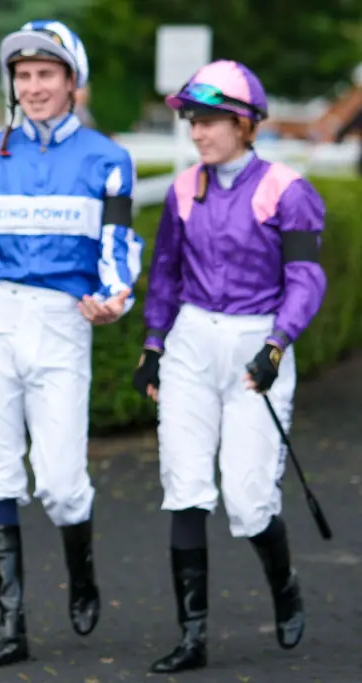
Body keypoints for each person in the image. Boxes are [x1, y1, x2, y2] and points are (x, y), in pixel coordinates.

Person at [0, 20, 144, 669]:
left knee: (59, 482)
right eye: (22, 76)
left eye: (45, 75)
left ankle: (81, 571)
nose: (32, 87)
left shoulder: (109, 159)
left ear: (71, 82)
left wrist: (116, 295)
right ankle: (11, 622)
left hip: (63, 320)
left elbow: (118, 246)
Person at [132, 59, 326, 674]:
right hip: (192, 339)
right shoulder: (183, 188)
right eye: (194, 120)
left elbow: (305, 277)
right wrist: (153, 344)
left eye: (212, 120)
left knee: (247, 502)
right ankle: (192, 638)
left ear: (246, 126)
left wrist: (277, 345)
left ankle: (285, 583)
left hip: (255, 344)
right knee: (185, 488)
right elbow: (165, 272)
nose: (198, 132)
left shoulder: (288, 191)